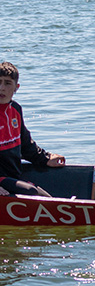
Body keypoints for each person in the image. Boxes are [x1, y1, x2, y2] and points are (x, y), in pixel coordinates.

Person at [0, 62, 65, 197]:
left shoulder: (16, 110)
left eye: (7, 83)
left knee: (48, 199)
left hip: (13, 177)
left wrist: (46, 158)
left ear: (16, 88)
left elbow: (26, 146)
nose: (1, 88)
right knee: (30, 192)